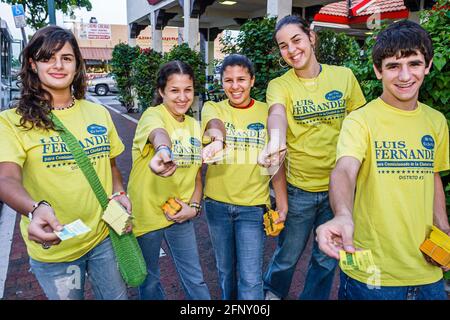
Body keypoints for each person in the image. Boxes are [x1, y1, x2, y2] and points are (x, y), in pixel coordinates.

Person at [316, 20, 449, 300]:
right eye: (392, 66)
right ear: (378, 70)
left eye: (414, 64)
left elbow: (433, 175)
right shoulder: (360, 121)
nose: (404, 76)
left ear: (428, 65)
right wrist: (342, 214)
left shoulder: (436, 122)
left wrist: (444, 229)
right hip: (370, 275)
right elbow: (345, 170)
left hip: (428, 273)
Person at [0, 26, 129, 300]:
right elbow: (6, 178)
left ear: (77, 65)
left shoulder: (98, 112)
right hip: (56, 249)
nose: (58, 65)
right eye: (48, 57)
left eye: (67, 58)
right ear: (33, 65)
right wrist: (35, 210)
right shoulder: (11, 121)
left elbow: (112, 166)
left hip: (104, 237)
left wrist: (119, 194)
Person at [258, 15, 366, 300]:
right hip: (299, 190)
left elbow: (359, 126)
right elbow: (277, 113)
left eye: (296, 40)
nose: (292, 50)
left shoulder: (344, 77)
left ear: (311, 37)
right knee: (288, 255)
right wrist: (277, 141)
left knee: (325, 258)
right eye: (283, 46)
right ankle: (273, 293)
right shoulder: (279, 85)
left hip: (337, 191)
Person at [201, 54, 288, 300]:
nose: (235, 86)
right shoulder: (214, 107)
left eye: (241, 79)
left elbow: (276, 163)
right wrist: (218, 140)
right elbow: (214, 124)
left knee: (250, 278)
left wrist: (282, 203)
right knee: (226, 271)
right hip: (217, 205)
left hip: (253, 207)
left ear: (252, 81)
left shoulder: (267, 112)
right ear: (222, 83)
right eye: (228, 80)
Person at [127, 60, 211, 300]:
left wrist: (193, 209)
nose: (182, 97)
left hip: (180, 212)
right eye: (174, 90)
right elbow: (158, 134)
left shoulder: (196, 126)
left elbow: (196, 176)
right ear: (161, 91)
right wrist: (163, 151)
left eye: (188, 90)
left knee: (195, 279)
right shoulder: (152, 116)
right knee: (149, 282)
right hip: (147, 215)